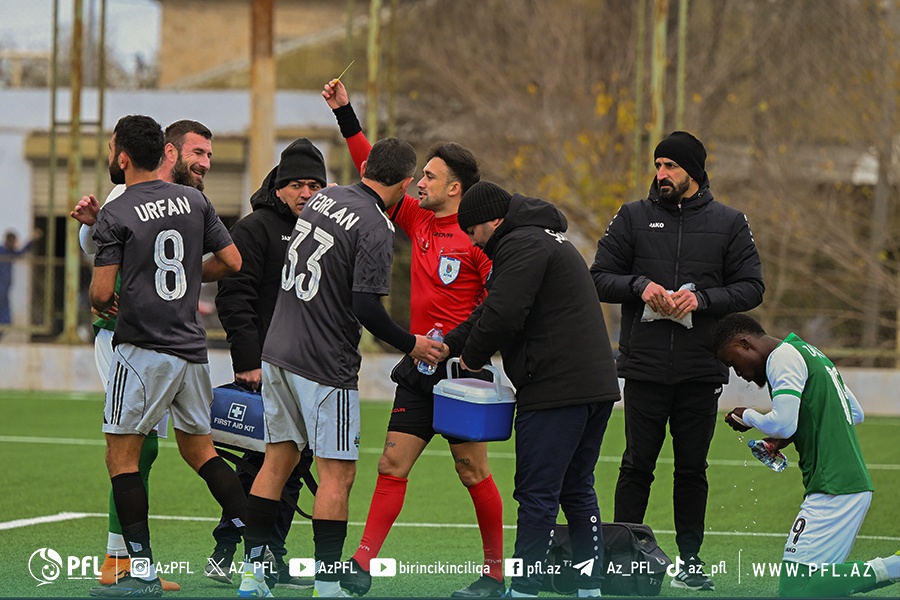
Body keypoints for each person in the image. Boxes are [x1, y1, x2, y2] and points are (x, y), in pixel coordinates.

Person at [322, 80, 505, 599]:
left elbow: (498, 303)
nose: (418, 181)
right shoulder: (415, 218)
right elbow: (373, 169)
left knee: (472, 472)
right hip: (420, 369)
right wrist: (344, 113)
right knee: (391, 463)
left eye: (429, 175)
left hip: (463, 369)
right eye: (419, 174)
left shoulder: (479, 239)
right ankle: (359, 565)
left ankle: (495, 575)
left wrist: (469, 350)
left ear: (456, 188)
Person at [239, 137, 443, 598]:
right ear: (406, 183)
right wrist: (412, 345)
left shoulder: (324, 196)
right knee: (338, 474)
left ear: (367, 165)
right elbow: (366, 308)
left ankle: (253, 575)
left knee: (277, 461)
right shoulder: (376, 225)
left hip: (278, 350)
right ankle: (328, 582)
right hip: (325, 363)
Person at [590, 131, 765, 591]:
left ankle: (691, 563)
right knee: (635, 466)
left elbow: (752, 287)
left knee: (692, 470)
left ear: (694, 170)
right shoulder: (632, 217)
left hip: (700, 370)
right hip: (645, 368)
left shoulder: (730, 222)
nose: (661, 174)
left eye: (670, 166)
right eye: (657, 165)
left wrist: (702, 299)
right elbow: (599, 277)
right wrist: (639, 286)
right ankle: (623, 559)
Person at [86, 114, 245, 598]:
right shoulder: (195, 200)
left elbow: (100, 294)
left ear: (124, 156)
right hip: (193, 351)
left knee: (121, 454)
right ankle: (256, 548)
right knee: (203, 452)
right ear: (166, 153)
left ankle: (140, 573)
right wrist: (190, 281)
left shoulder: (116, 210)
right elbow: (233, 262)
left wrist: (113, 293)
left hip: (142, 350)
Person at [439, 181, 621, 598]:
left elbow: (503, 314)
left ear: (493, 221)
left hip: (556, 388)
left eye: (473, 231)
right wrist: (450, 344)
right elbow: (490, 309)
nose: (472, 242)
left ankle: (524, 586)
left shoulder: (520, 245)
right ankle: (589, 586)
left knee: (537, 493)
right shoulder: (542, 238)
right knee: (578, 486)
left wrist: (469, 359)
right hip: (594, 385)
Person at [206, 138, 328, 589]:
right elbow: (234, 297)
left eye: (315, 184)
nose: (305, 192)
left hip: (311, 373)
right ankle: (224, 552)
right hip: (263, 370)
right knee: (256, 467)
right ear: (279, 186)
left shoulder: (325, 232)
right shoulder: (255, 228)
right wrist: (247, 361)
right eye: (296, 183)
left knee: (294, 471)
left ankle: (271, 556)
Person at [714, 313, 900, 597]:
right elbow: (855, 412)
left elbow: (783, 420)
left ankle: (896, 566)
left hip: (832, 489)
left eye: (732, 363)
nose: (738, 374)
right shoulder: (810, 353)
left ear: (745, 343)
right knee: (820, 588)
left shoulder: (781, 358)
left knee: (797, 588)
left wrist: (747, 415)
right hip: (847, 486)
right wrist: (783, 439)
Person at [0, 229, 41, 340]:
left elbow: (21, 252)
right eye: (14, 242)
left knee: (6, 319)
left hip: (4, 290)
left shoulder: (9, 253)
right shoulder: (2, 251)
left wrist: (32, 240)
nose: (15, 245)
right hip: (2, 290)